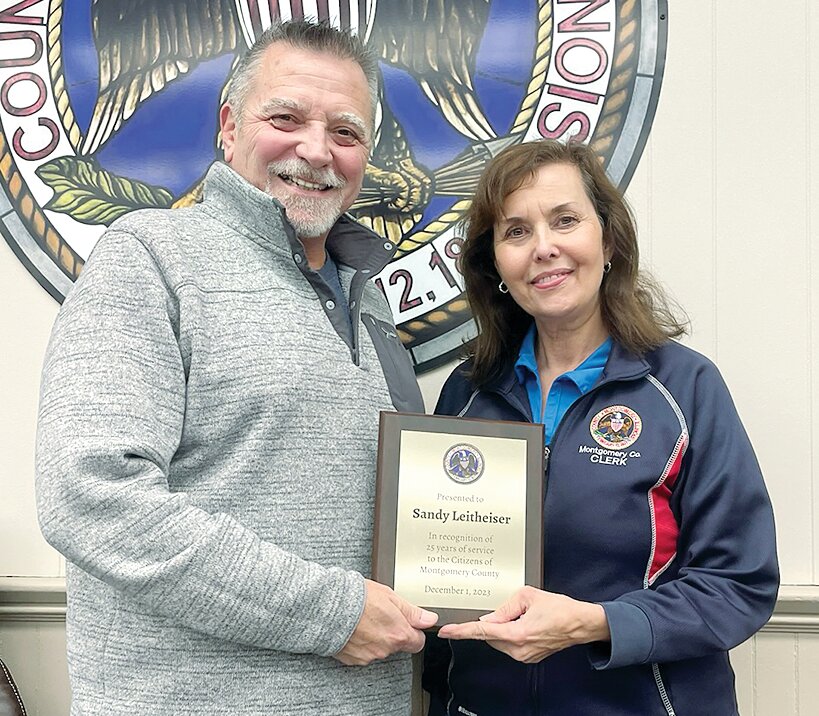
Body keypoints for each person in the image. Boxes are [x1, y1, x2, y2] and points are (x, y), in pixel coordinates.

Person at [35, 20, 437, 716]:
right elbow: (91, 496)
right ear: (228, 127)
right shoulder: (149, 258)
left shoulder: (370, 301)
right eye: (285, 118)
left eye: (346, 133)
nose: (316, 150)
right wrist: (331, 613)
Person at [423, 139, 778, 715]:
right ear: (494, 265)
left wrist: (597, 624)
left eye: (565, 220)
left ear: (608, 240)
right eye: (515, 231)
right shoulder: (467, 394)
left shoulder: (686, 389)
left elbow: (740, 583)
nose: (544, 248)